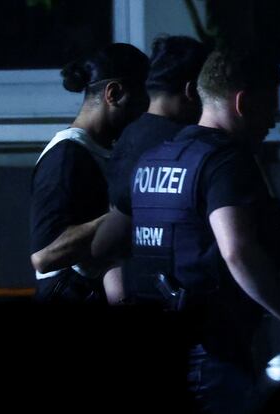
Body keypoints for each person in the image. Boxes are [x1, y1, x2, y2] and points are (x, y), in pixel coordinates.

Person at [127, 49, 280, 413]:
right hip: (211, 350)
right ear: (243, 102)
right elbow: (238, 251)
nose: (274, 121)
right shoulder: (226, 160)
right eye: (269, 107)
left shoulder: (155, 158)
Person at [92, 35, 210, 299]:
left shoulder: (128, 136)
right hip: (181, 292)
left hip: (137, 286)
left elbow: (110, 241)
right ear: (192, 92)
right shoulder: (187, 145)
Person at [30, 43, 149, 303]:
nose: (144, 112)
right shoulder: (66, 156)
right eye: (142, 100)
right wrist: (125, 213)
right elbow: (44, 256)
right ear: (114, 93)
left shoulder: (106, 150)